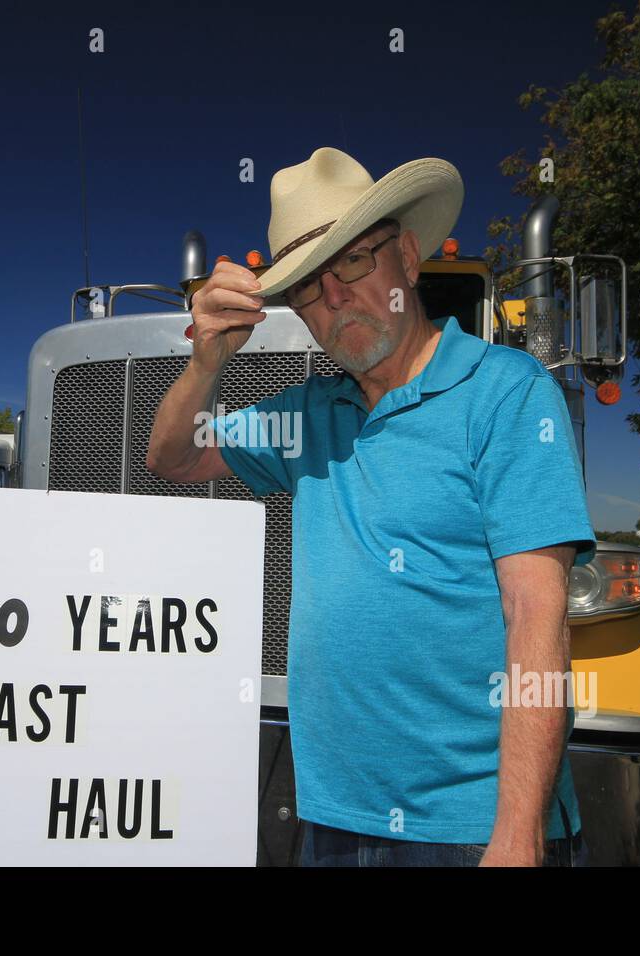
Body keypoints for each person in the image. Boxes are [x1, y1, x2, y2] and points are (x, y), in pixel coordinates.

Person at [146, 147, 595, 866]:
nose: (334, 299)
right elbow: (170, 457)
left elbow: (537, 615)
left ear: (408, 258)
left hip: (469, 830)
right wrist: (206, 360)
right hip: (332, 817)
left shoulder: (506, 393)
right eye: (306, 288)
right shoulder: (308, 418)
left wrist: (517, 835)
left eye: (353, 262)